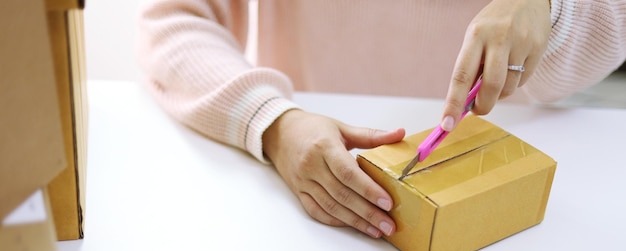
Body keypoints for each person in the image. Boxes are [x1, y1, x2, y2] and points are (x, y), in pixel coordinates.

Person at [136, 0, 626, 238]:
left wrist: (550, 8)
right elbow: (173, 22)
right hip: (299, 209)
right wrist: (274, 122)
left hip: (494, 219)